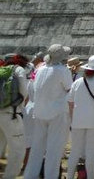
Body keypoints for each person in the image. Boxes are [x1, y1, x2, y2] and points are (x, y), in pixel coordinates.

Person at [23, 44, 73, 179]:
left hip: (40, 111)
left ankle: (30, 175)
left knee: (36, 148)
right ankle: (50, 176)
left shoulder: (40, 69)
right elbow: (70, 89)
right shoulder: (63, 70)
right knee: (54, 149)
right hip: (57, 112)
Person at [0, 53, 28, 179]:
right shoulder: (18, 70)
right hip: (11, 114)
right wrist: (20, 106)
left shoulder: (2, 70)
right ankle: (9, 176)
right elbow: (24, 91)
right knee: (18, 149)